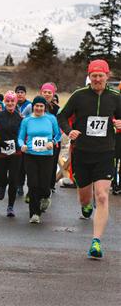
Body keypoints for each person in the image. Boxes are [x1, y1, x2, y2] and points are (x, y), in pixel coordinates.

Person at [58, 59, 121, 259]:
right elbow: (61, 116)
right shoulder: (79, 96)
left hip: (105, 152)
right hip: (82, 153)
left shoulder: (116, 97)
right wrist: (70, 131)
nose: (97, 79)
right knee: (85, 197)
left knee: (102, 195)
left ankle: (96, 241)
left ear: (107, 76)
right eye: (93, 75)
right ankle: (86, 206)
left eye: (100, 75)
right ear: (89, 77)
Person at [18, 96, 61, 223]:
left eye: (41, 106)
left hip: (47, 156)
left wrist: (52, 142)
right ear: (33, 106)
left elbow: (58, 134)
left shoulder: (51, 119)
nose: (38, 108)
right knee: (32, 184)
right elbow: (20, 137)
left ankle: (46, 196)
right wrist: (22, 145)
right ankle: (34, 214)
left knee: (44, 184)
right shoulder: (27, 120)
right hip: (30, 155)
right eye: (36, 106)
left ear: (44, 107)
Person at [0, 91, 23, 217]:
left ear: (15, 103)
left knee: (14, 179)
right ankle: (2, 185)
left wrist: (20, 142)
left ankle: (10, 206)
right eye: (7, 101)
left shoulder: (19, 117)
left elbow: (23, 133)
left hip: (15, 152)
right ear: (4, 102)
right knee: (0, 176)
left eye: (12, 101)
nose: (10, 103)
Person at [15, 85, 31, 198]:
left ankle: (28, 186)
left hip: (27, 137)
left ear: (25, 94)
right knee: (18, 164)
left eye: (22, 92)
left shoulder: (30, 105)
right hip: (15, 136)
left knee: (26, 163)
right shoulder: (12, 104)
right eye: (18, 92)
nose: (20, 94)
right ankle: (19, 185)